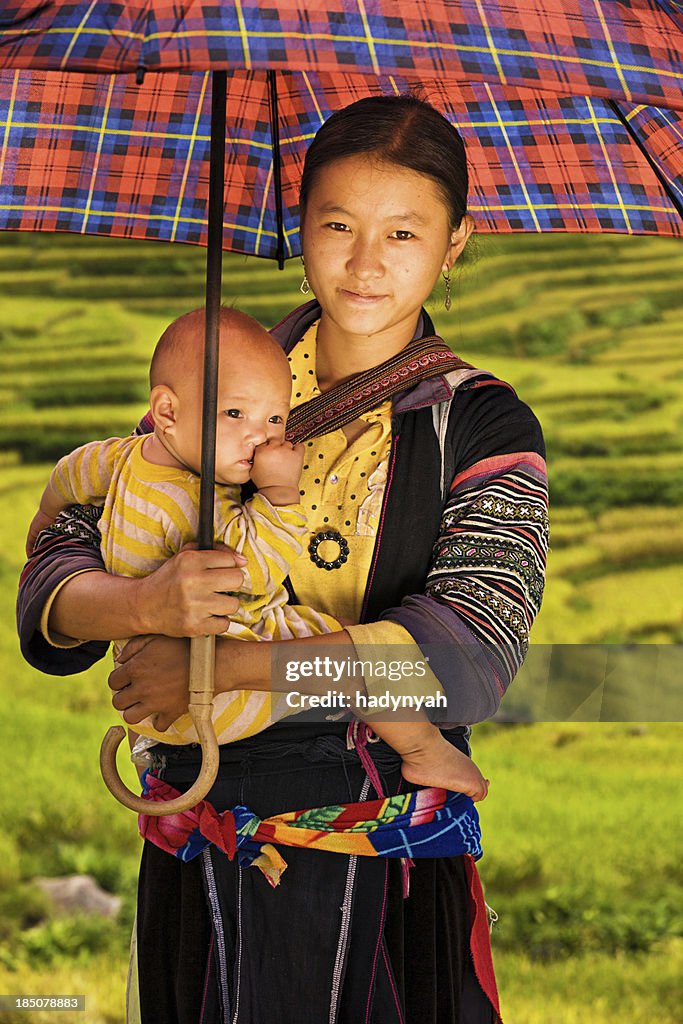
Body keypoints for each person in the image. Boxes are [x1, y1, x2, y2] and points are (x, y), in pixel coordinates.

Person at [18, 94, 549, 1023]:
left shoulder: (480, 423)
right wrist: (142, 606)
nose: (365, 262)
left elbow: (470, 652)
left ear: (455, 242)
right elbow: (61, 560)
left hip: (366, 845)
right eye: (337, 225)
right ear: (297, 222)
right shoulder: (226, 369)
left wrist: (231, 664)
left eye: (403, 232)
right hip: (199, 818)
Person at [26, 305, 490, 797]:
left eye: (274, 418)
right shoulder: (196, 505)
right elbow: (257, 573)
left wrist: (42, 519)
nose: (260, 436)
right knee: (347, 648)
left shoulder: (117, 458)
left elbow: (67, 476)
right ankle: (421, 748)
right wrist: (278, 495)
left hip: (145, 689)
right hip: (211, 694)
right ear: (166, 412)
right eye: (235, 414)